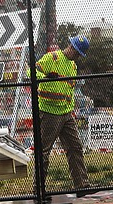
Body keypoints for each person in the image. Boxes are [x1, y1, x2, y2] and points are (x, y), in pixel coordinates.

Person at [30, 35, 90, 192]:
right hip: (49, 112)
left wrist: (70, 110)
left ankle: (82, 186)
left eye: (79, 55)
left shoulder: (73, 66)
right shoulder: (52, 57)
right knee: (44, 151)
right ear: (70, 46)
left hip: (66, 113)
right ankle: (39, 189)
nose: (76, 56)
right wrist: (44, 77)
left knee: (75, 147)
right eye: (76, 52)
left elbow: (69, 90)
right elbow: (31, 72)